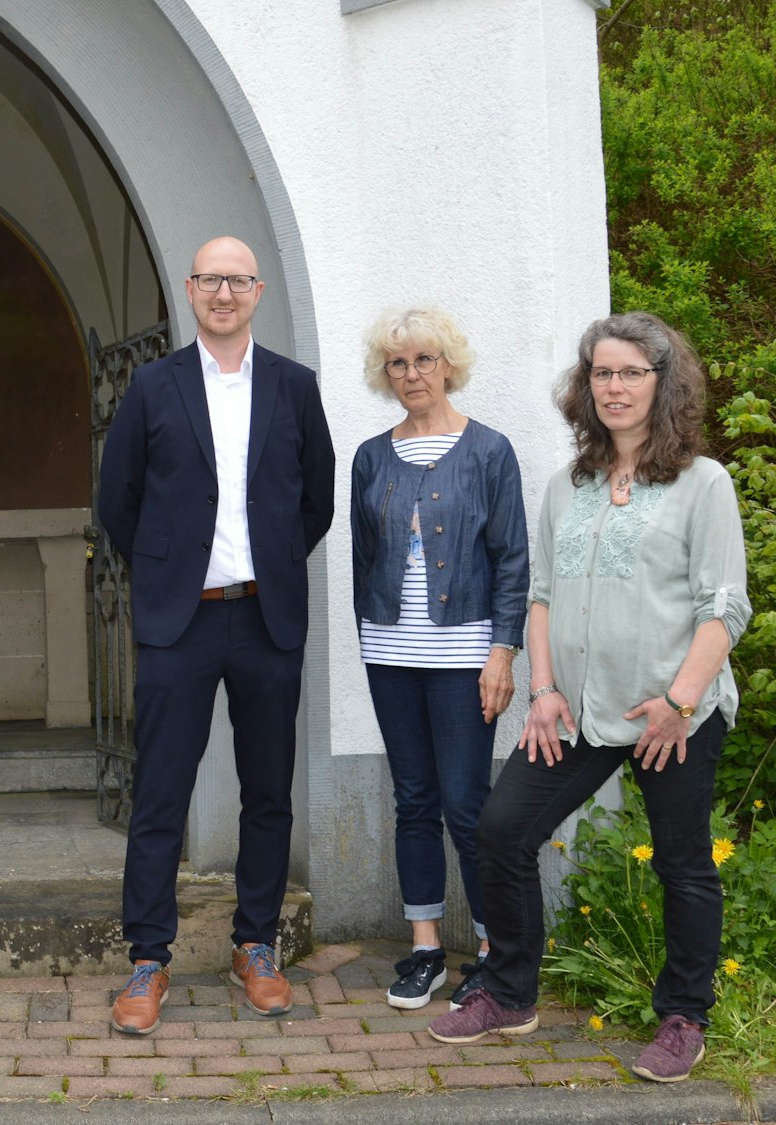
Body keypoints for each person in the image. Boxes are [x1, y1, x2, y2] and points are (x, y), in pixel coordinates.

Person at [427, 312, 750, 1085]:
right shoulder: (566, 485)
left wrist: (680, 698)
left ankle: (684, 1016)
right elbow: (540, 595)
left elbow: (724, 607)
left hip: (669, 714)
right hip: (573, 709)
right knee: (501, 830)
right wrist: (541, 690)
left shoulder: (703, 483)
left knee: (682, 860)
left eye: (631, 372)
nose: (614, 386)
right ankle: (509, 992)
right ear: (586, 386)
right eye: (602, 372)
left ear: (662, 383)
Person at [96, 236, 336, 1036]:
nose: (223, 293)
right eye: (210, 280)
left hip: (266, 616)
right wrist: (168, 572)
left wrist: (265, 561)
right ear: (190, 289)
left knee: (268, 790)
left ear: (258, 291)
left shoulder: (295, 388)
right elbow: (118, 499)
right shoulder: (152, 385)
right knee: (161, 791)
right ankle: (148, 958)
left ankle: (255, 945)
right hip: (180, 619)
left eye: (237, 280)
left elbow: (317, 500)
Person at [350, 308, 527, 1009]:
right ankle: (424, 945)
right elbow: (365, 558)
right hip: (390, 652)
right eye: (398, 363)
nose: (411, 373)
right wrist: (368, 636)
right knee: (414, 800)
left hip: (464, 653)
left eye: (424, 359)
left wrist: (501, 652)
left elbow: (511, 558)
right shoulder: (371, 455)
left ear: (448, 363)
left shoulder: (488, 451)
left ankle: (489, 948)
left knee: (465, 803)